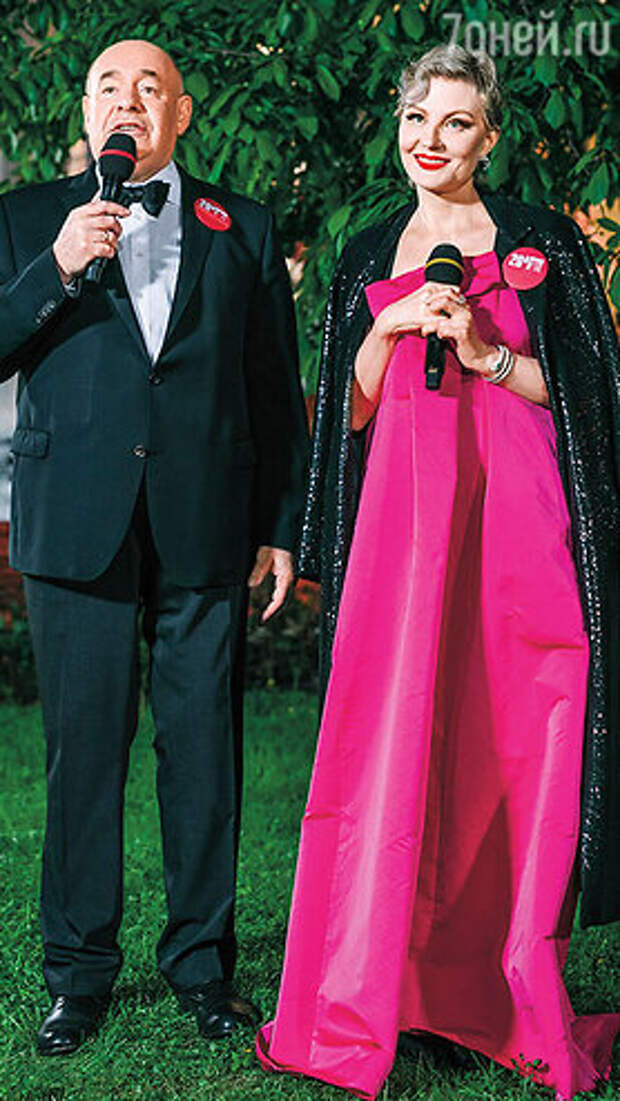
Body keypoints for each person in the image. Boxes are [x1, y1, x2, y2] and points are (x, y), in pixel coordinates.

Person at [256, 45, 620, 1101]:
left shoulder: (543, 242)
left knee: (517, 747)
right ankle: (384, 991)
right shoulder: (368, 251)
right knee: (390, 742)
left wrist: (487, 356)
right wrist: (385, 328)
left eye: (455, 122)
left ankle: (502, 995)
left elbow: (591, 401)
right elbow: (348, 412)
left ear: (487, 138)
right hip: (401, 535)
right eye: (417, 116)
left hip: (518, 527)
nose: (430, 138)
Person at [0, 38, 308, 1055]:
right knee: (83, 755)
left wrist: (278, 527)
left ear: (181, 112)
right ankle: (78, 974)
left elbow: (272, 390)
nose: (126, 100)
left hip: (204, 520)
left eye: (148, 87)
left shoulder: (241, 225)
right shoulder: (25, 219)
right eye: (107, 85)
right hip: (75, 524)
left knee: (203, 753)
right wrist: (56, 266)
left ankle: (202, 968)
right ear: (86, 112)